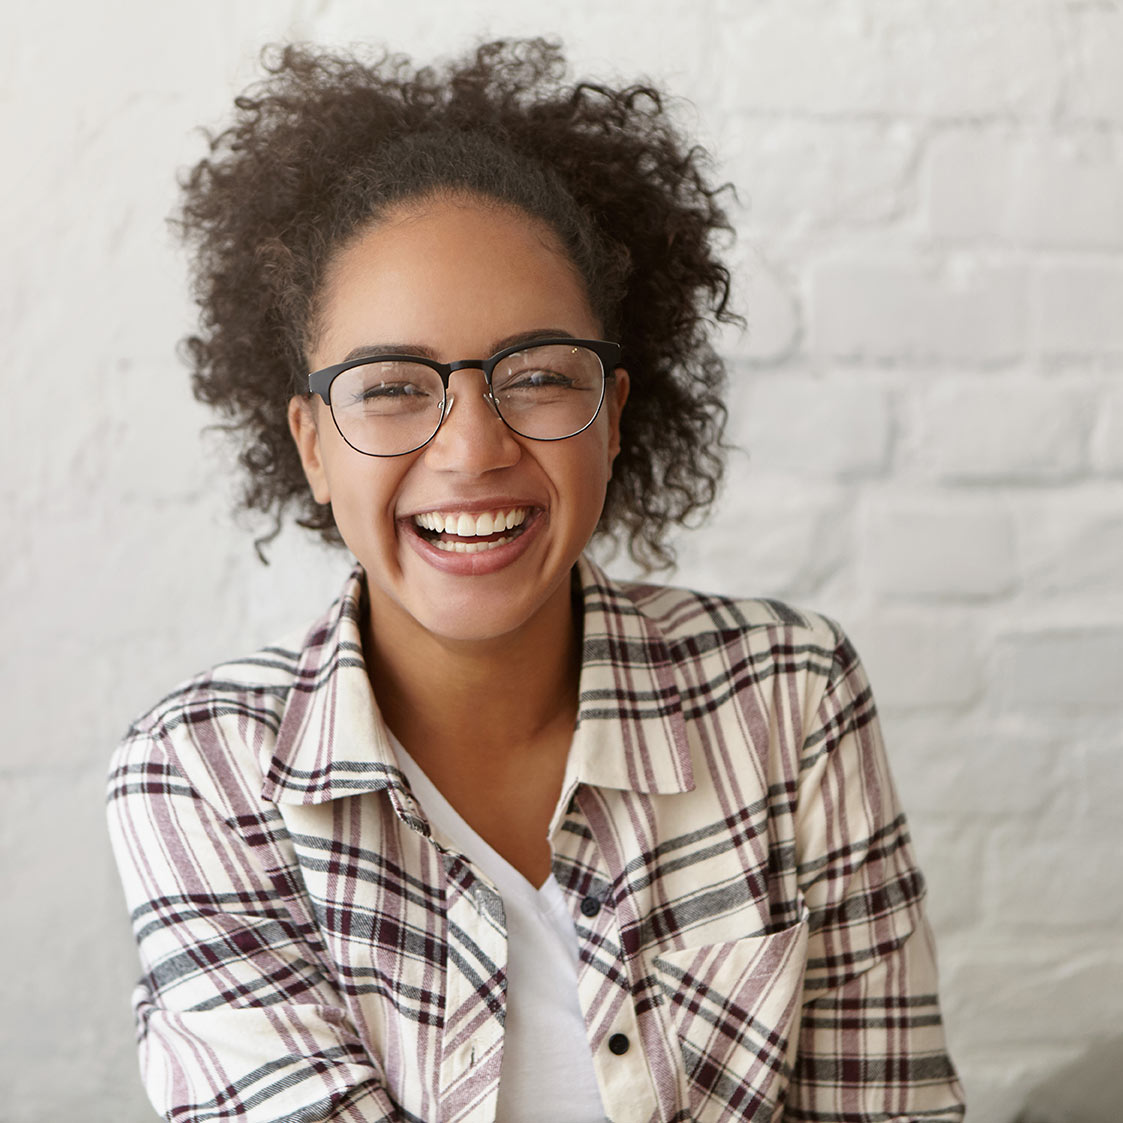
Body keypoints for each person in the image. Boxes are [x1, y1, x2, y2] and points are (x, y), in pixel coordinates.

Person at [106, 39, 967, 1123]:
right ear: (313, 445)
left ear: (612, 413)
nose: (471, 449)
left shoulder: (789, 698)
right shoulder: (201, 775)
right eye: (391, 388)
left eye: (539, 376)